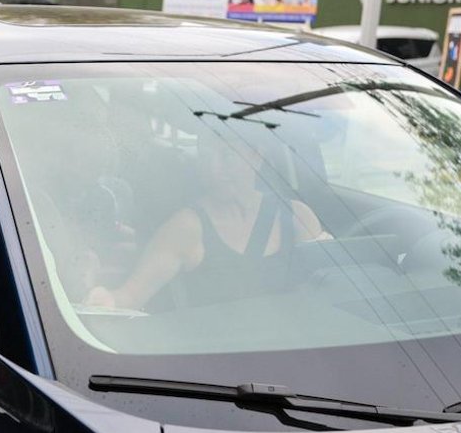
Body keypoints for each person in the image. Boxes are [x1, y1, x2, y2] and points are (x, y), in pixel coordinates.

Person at [84, 126, 325, 311]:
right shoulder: (187, 227)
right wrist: (106, 299)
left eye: (226, 156)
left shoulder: (296, 217)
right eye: (205, 156)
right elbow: (131, 295)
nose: (214, 168)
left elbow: (334, 286)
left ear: (256, 157)